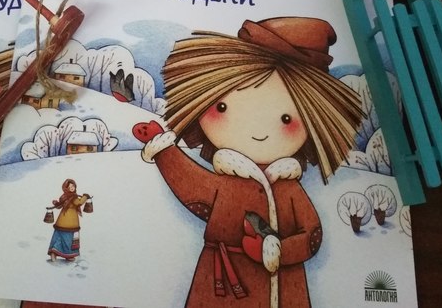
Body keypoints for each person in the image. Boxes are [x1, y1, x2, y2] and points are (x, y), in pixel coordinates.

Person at [133, 16, 364, 308]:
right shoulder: (227, 182)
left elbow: (312, 235)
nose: (257, 130)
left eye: (285, 118)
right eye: (223, 107)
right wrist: (164, 150)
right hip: (223, 285)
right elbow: (193, 188)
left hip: (283, 286)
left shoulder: (288, 188)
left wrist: (278, 251)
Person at [47, 178, 91, 262]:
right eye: (70, 187)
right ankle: (68, 255)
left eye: (73, 186)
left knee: (59, 237)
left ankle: (54, 252)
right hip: (70, 222)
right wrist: (85, 196)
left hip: (61, 221)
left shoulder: (64, 196)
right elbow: (79, 203)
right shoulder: (73, 197)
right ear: (66, 188)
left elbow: (59, 205)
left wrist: (56, 203)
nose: (72, 188)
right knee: (69, 239)